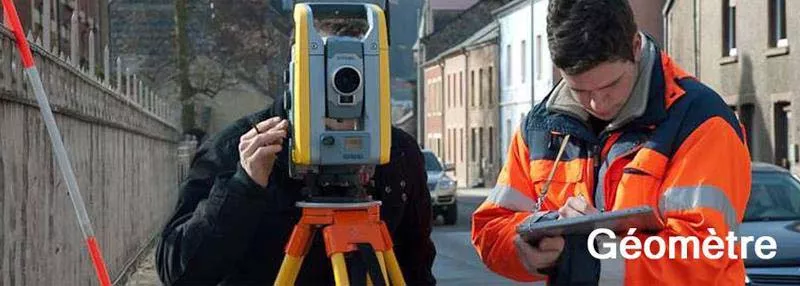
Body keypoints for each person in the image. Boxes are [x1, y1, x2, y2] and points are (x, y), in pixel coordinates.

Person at [471, 0, 751, 285]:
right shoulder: (541, 126)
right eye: (579, 89)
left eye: (610, 85)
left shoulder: (700, 121)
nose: (597, 103)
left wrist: (587, 253)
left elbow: (704, 255)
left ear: (635, 46)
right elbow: (490, 228)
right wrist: (531, 244)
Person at [156, 19, 436, 285]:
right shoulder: (243, 147)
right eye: (325, 71)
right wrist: (243, 187)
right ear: (294, 76)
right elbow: (178, 272)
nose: (341, 85)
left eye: (355, 73)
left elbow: (416, 269)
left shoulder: (396, 153)